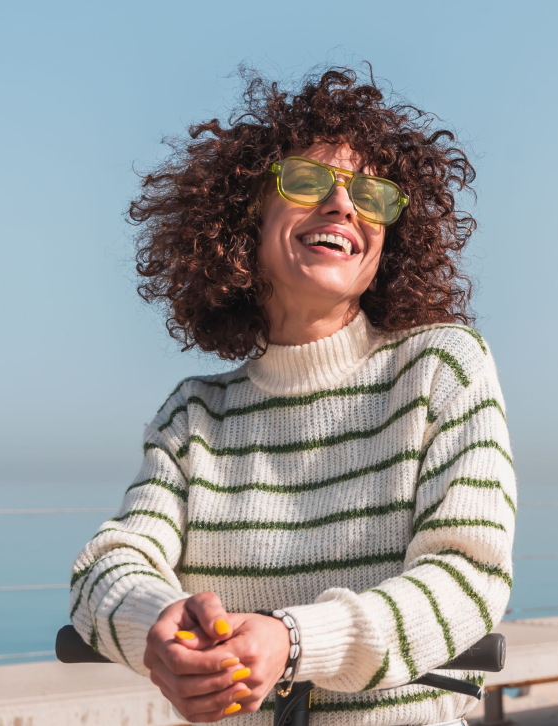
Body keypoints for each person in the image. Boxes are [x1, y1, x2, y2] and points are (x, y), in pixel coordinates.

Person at [69, 66, 515, 726]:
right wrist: (157, 627)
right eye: (307, 183)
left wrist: (294, 641)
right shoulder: (193, 416)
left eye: (371, 195)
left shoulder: (442, 369)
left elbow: (467, 578)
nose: (342, 206)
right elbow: (108, 567)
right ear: (248, 216)